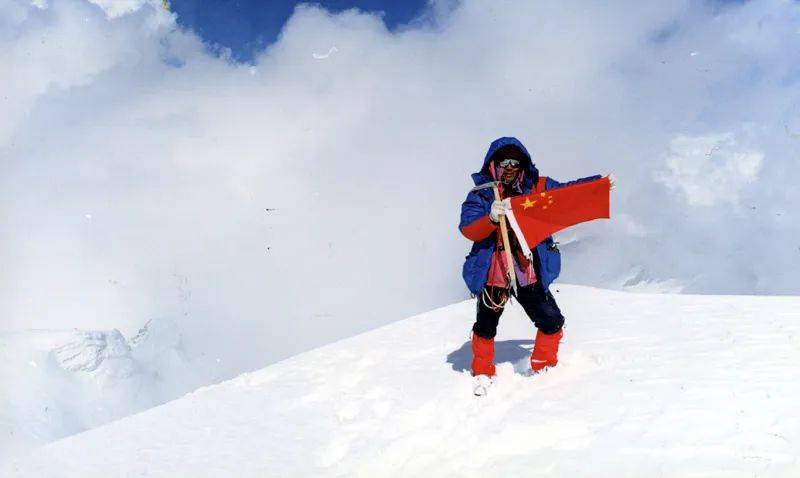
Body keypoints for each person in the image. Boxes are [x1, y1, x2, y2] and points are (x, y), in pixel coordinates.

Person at [459, 137, 601, 395]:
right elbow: (468, 229)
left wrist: (597, 185)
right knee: (486, 325)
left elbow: (566, 194)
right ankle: (482, 372)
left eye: (516, 162)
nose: (510, 167)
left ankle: (544, 367)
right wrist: (490, 218)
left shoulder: (536, 188)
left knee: (551, 320)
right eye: (505, 162)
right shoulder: (481, 195)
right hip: (494, 271)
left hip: (527, 269)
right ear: (493, 164)